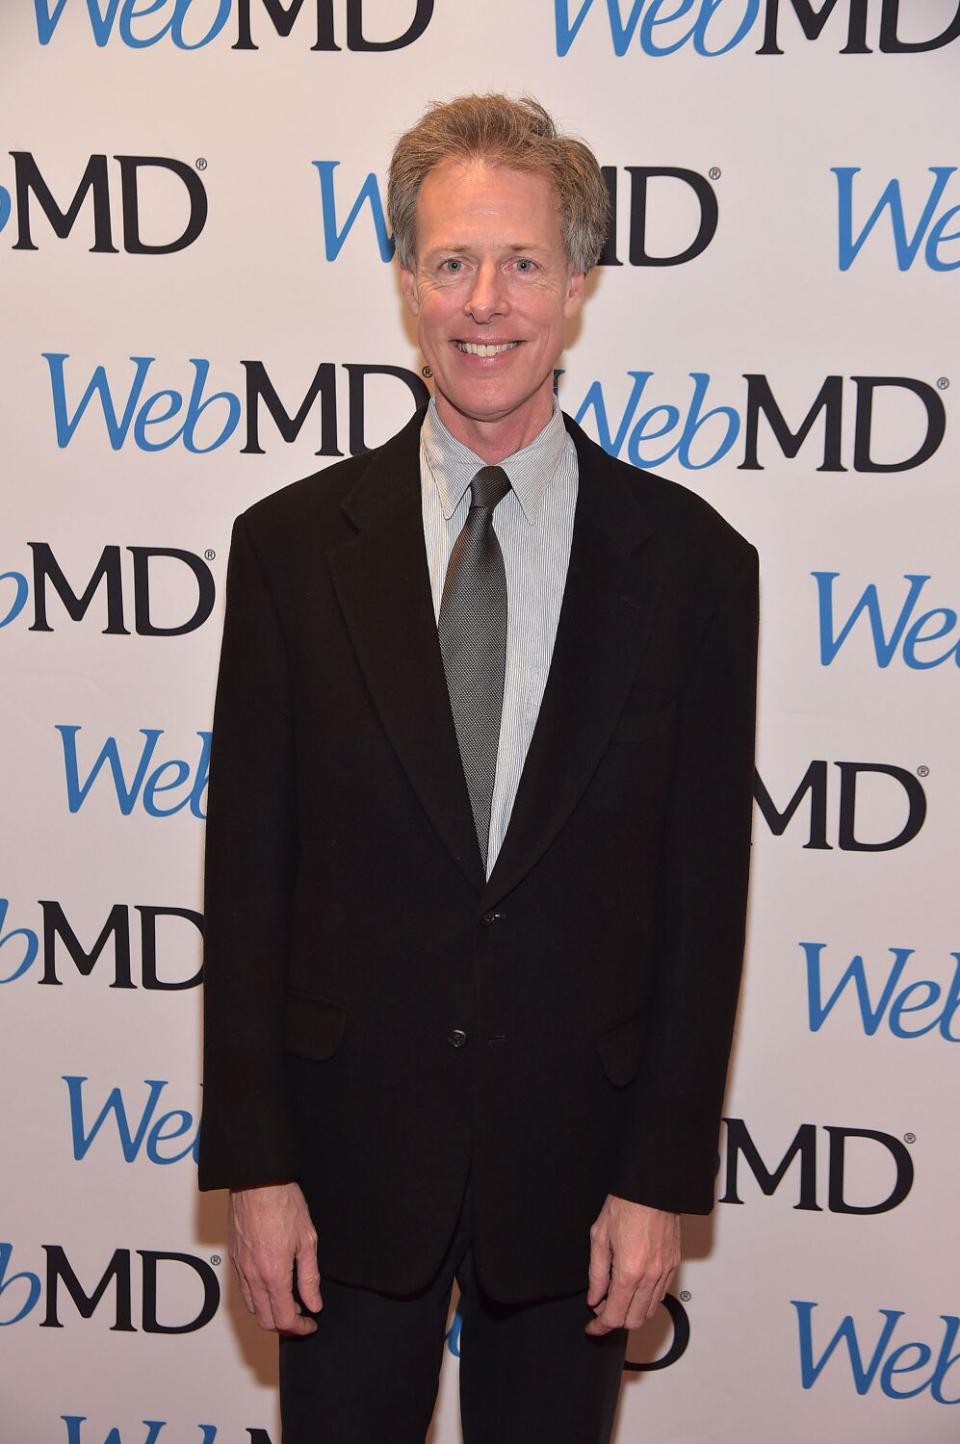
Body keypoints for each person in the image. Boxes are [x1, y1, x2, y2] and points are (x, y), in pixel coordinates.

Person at [198, 93, 760, 1444]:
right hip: (341, 1172)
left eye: (520, 263)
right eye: (451, 261)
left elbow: (703, 906)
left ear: (578, 283)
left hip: (579, 1179)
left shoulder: (693, 569)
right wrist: (256, 1172)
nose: (485, 301)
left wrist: (658, 1180)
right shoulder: (286, 551)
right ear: (404, 281)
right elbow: (249, 879)